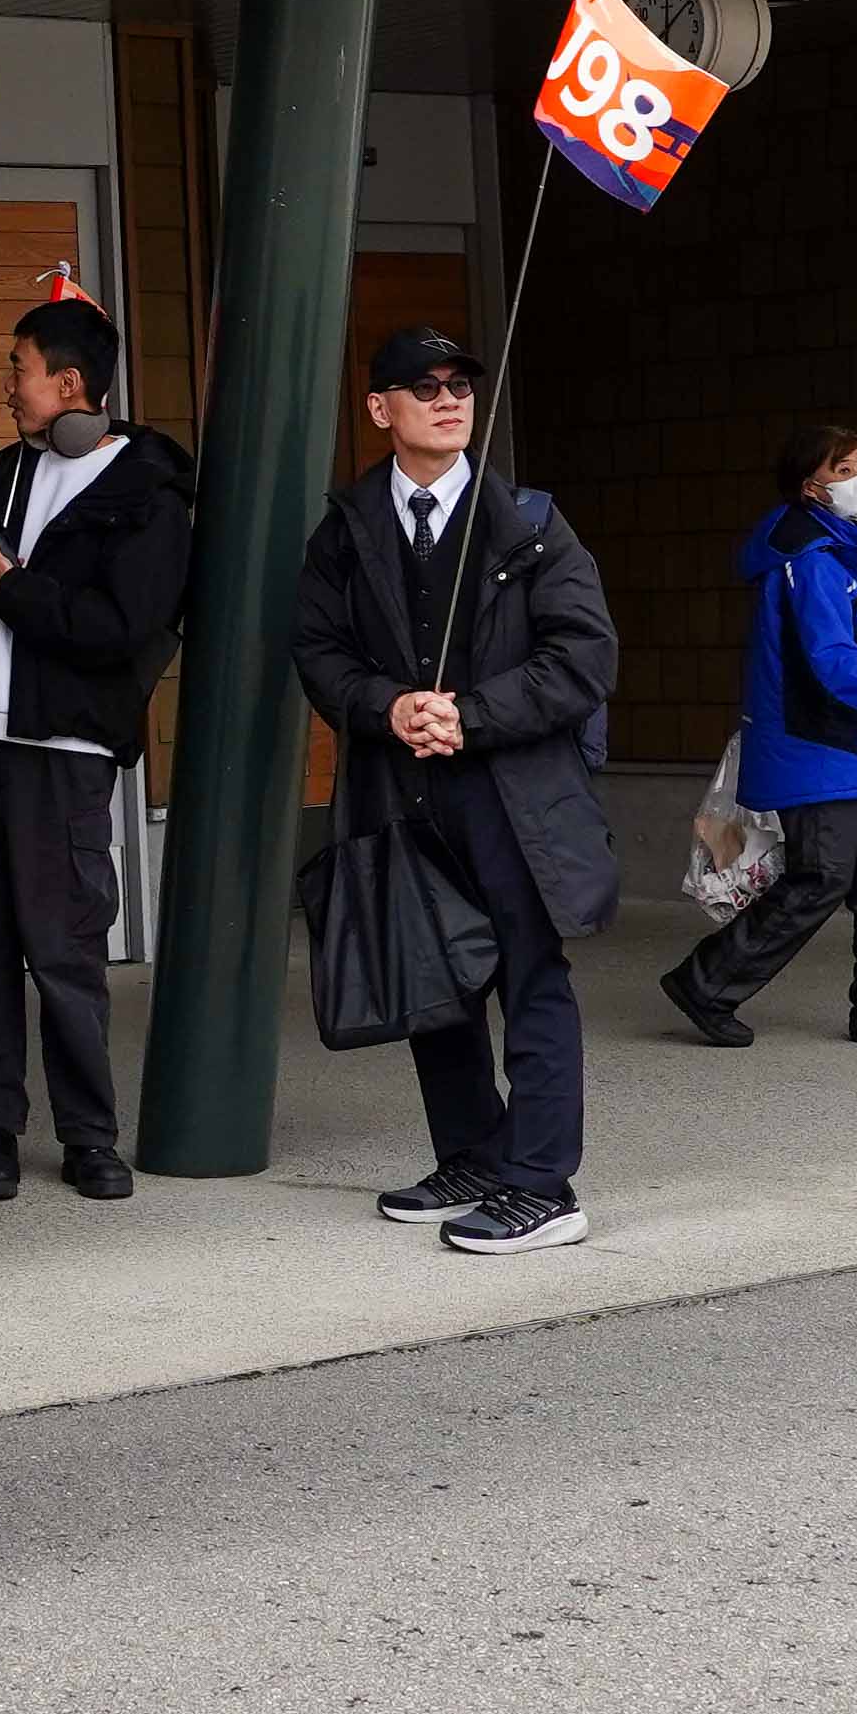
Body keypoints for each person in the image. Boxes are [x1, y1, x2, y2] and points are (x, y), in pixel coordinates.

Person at [292, 325, 623, 1260]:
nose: (448, 401)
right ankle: (474, 1158)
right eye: (424, 386)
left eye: (460, 387)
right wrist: (389, 706)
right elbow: (318, 651)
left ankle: (543, 1186)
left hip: (514, 791)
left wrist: (469, 716)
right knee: (429, 976)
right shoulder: (346, 527)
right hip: (400, 786)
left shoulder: (531, 518)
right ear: (380, 408)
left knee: (530, 977)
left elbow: (584, 656)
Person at [0, 294, 192, 1199]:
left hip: (65, 754)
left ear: (69, 383)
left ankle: (88, 1138)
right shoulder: (4, 475)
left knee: (65, 953)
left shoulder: (147, 495)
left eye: (19, 368)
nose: (7, 386)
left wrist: (22, 595)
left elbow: (125, 628)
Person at [662, 421, 857, 1049]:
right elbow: (833, 660)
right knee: (821, 877)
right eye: (844, 470)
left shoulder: (843, 549)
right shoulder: (813, 559)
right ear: (811, 486)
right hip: (818, 743)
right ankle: (707, 983)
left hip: (850, 742)